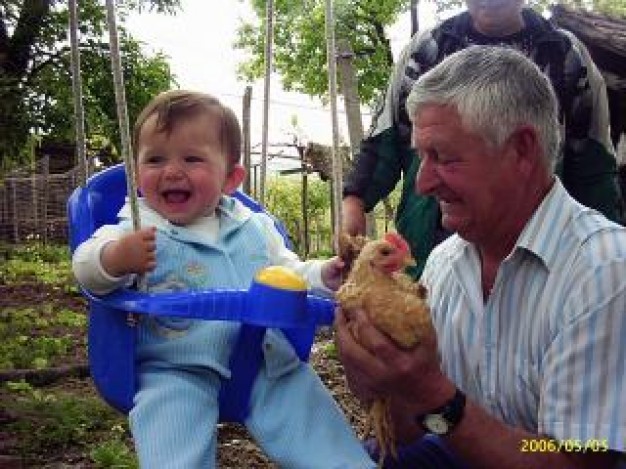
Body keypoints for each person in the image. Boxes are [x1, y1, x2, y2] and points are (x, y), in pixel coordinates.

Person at [336, 46, 626, 468]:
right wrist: (380, 383)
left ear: (522, 150)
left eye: (444, 157)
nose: (424, 183)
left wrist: (436, 398)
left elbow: (579, 460)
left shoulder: (605, 273)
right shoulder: (444, 264)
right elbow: (416, 429)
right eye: (421, 157)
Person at [72, 90, 375, 468]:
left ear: (230, 178)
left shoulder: (253, 225)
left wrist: (323, 274)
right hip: (177, 368)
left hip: (266, 362)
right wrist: (115, 259)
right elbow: (84, 267)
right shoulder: (135, 226)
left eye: (192, 158)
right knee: (174, 448)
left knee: (325, 441)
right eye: (155, 159)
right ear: (136, 175)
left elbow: (287, 272)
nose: (171, 171)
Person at [342, 0, 623, 278]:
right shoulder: (429, 48)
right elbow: (386, 138)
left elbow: (593, 167)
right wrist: (354, 200)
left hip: (531, 256)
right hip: (430, 247)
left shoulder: (565, 55)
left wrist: (603, 259)